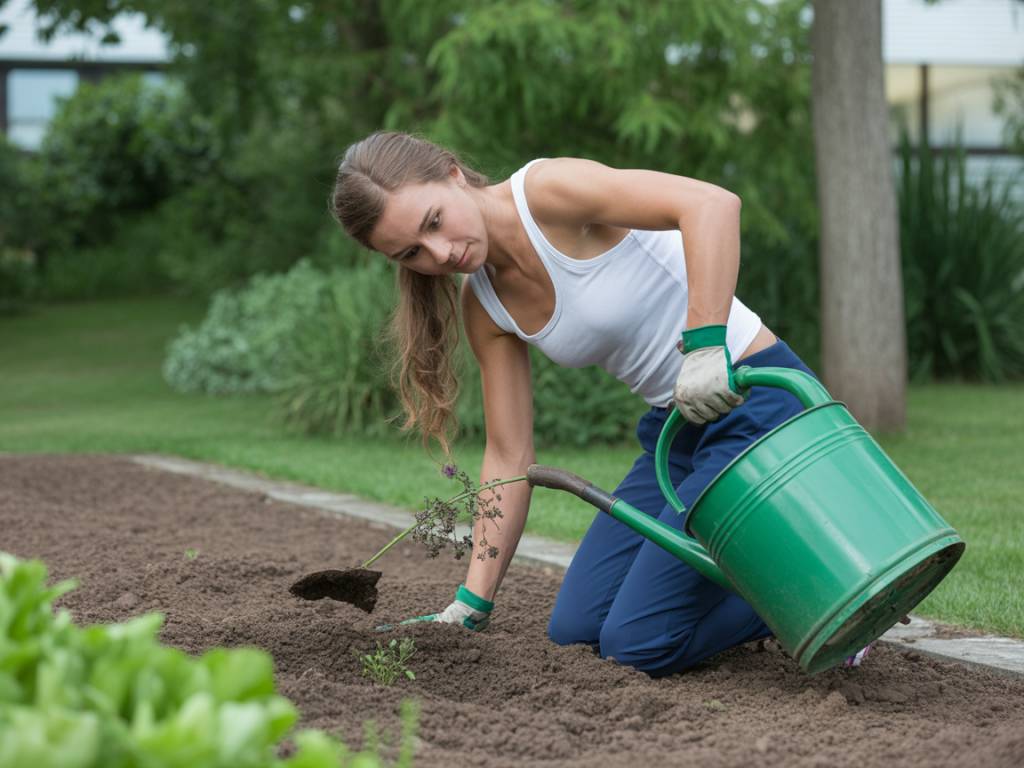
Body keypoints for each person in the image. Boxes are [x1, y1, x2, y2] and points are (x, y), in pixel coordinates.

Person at [330, 131, 859, 676]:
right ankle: (777, 588)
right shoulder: (485, 306)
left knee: (637, 643)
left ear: (453, 174)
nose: (441, 254)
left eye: (434, 221)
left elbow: (711, 205)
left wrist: (705, 345)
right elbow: (509, 456)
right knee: (577, 632)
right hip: (677, 432)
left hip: (754, 403)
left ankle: (829, 598)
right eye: (412, 253)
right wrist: (472, 601)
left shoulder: (547, 193)